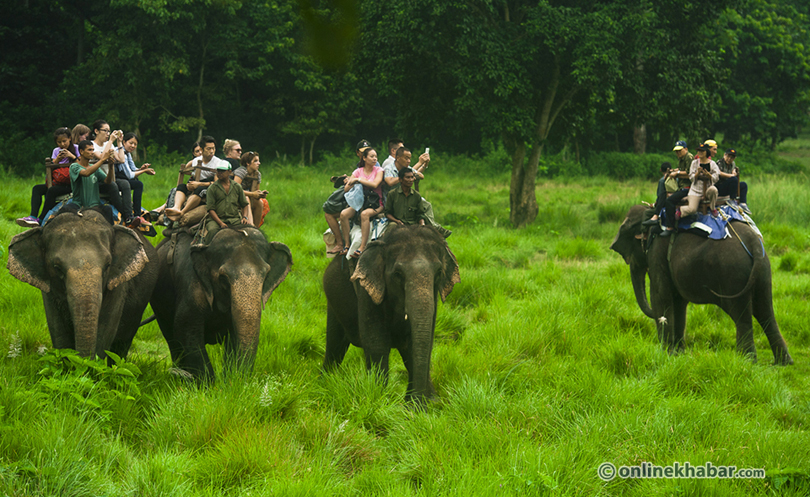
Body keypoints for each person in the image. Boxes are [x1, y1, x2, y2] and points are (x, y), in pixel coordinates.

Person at [17, 127, 78, 227]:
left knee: (51, 191)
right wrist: (57, 160)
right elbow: (51, 169)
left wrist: (72, 156)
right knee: (37, 188)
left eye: (64, 141)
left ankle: (41, 219)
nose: (62, 144)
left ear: (70, 138)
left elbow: (82, 164)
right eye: (59, 142)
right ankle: (33, 216)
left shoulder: (76, 148)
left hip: (71, 183)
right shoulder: (56, 151)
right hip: (58, 181)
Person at [69, 140, 137, 226]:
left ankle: (124, 222)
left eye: (93, 150)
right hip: (78, 204)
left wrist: (110, 166)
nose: (92, 152)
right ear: (81, 151)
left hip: (95, 205)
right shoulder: (74, 166)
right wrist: (103, 159)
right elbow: (86, 173)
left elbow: (107, 181)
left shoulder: (94, 168)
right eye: (89, 150)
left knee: (108, 210)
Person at [165, 135, 228, 222]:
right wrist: (191, 184)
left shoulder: (218, 163)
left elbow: (217, 184)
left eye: (213, 148)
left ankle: (182, 213)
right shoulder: (195, 161)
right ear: (202, 149)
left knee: (200, 190)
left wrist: (199, 184)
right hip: (197, 184)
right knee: (181, 187)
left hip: (211, 187)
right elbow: (189, 173)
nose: (212, 151)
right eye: (208, 149)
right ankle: (176, 207)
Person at [661, 144, 719, 237]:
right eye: (698, 151)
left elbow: (716, 177)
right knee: (692, 209)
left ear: (706, 152)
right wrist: (697, 173)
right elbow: (691, 178)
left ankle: (712, 208)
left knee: (714, 189)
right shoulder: (694, 163)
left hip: (707, 188)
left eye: (702, 151)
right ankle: (681, 210)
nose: (700, 152)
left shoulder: (713, 164)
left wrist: (709, 175)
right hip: (695, 190)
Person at [340, 147, 384, 258]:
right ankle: (347, 244)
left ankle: (362, 247)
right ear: (364, 158)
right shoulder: (358, 171)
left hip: (376, 203)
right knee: (343, 214)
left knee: (364, 214)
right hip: (360, 203)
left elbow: (375, 184)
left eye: (376, 156)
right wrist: (351, 181)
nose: (374, 159)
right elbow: (346, 189)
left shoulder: (379, 170)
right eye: (371, 156)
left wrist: (358, 180)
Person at [202, 162, 250, 244]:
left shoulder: (237, 186)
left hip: (234, 219)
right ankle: (206, 247)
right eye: (218, 171)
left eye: (222, 171)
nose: (220, 173)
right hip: (217, 220)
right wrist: (220, 223)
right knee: (212, 231)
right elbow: (210, 209)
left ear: (229, 172)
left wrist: (245, 217)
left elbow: (244, 204)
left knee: (249, 233)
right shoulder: (212, 188)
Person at [114, 132, 156, 221]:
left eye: (135, 144)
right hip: (115, 178)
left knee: (137, 183)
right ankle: (136, 214)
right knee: (138, 184)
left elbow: (133, 169)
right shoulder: (120, 152)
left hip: (122, 177)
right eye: (131, 143)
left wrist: (141, 168)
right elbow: (130, 175)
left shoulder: (128, 153)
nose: (133, 146)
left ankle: (137, 213)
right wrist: (144, 171)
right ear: (124, 142)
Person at [233, 151, 268, 227]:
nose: (259, 163)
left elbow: (256, 192)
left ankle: (256, 228)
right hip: (234, 197)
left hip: (249, 197)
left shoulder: (257, 174)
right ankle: (250, 224)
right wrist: (252, 194)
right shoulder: (241, 171)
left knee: (259, 202)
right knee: (246, 198)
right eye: (255, 161)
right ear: (248, 163)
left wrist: (260, 194)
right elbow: (235, 189)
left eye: (258, 161)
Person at [642, 162, 676, 226]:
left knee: (647, 212)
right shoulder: (676, 178)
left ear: (661, 170)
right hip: (675, 202)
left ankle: (644, 231)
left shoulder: (662, 181)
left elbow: (660, 197)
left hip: (665, 205)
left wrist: (654, 205)